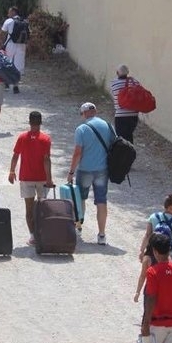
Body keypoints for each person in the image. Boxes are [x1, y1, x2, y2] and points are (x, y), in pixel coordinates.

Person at [66, 102, 114, 245]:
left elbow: (77, 153)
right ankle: (101, 234)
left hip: (85, 169)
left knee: (80, 199)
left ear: (84, 113)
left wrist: (71, 172)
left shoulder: (82, 129)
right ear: (95, 111)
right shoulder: (107, 125)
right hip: (102, 170)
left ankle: (78, 225)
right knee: (101, 201)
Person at [8, 111, 53, 245]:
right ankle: (41, 232)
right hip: (41, 178)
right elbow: (47, 160)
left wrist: (11, 171)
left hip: (26, 177)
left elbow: (16, 155)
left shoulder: (22, 137)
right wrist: (49, 179)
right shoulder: (46, 139)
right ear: (40, 122)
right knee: (42, 206)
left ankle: (32, 236)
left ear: (29, 122)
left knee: (28, 208)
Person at [140, 233, 172, 343]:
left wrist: (145, 324)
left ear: (155, 251)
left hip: (156, 324)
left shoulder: (152, 272)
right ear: (170, 249)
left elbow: (151, 298)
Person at [138, 194, 172, 262]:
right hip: (168, 252)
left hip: (153, 250)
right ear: (170, 208)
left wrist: (142, 251)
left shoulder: (153, 217)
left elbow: (147, 235)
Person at [0, 6, 27, 94]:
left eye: (9, 12)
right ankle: (16, 85)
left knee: (7, 62)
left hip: (11, 45)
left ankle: (6, 83)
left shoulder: (9, 21)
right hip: (22, 45)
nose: (8, 14)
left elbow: (2, 33)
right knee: (18, 65)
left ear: (14, 12)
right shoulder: (24, 22)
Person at [110, 64, 140, 143]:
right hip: (134, 115)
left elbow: (114, 94)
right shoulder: (135, 82)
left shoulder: (114, 83)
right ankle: (131, 154)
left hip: (121, 115)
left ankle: (125, 154)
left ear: (117, 73)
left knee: (121, 138)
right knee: (129, 135)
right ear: (128, 72)